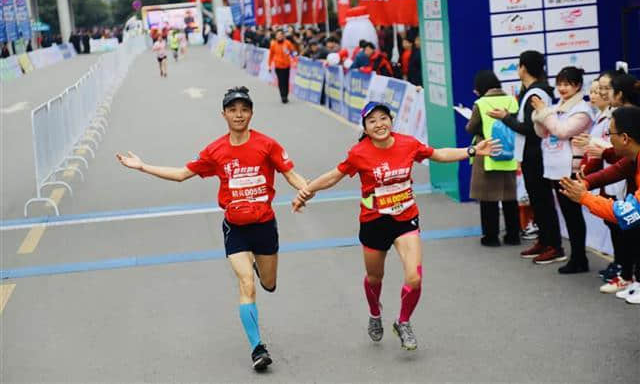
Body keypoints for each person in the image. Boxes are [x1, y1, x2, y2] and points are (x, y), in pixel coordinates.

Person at [116, 86, 310, 369]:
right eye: (233, 110)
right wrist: (143, 166)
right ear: (224, 114)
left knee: (268, 283)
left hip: (265, 225)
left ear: (251, 113)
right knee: (247, 284)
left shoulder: (267, 144)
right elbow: (182, 174)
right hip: (236, 229)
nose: (239, 115)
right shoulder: (215, 150)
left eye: (244, 109)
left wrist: (306, 190)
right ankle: (258, 348)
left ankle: (261, 267)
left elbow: (291, 174)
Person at [292, 101, 500, 351]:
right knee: (374, 277)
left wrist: (472, 150)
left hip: (405, 218)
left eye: (383, 118)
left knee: (414, 277)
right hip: (374, 222)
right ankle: (374, 313)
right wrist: (307, 190)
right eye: (372, 121)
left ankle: (403, 321)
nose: (379, 124)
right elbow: (335, 175)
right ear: (365, 128)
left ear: (391, 120)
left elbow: (438, 154)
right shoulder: (359, 153)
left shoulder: (408, 144)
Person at [559, 106, 640, 304]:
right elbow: (616, 170)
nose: (608, 140)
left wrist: (584, 197)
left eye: (610, 134)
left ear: (625, 138)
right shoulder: (634, 157)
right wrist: (586, 183)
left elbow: (628, 214)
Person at [488, 51, 563, 265]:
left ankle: (554, 245)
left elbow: (529, 129)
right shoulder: (531, 91)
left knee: (543, 201)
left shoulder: (535, 94)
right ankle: (544, 240)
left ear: (523, 68)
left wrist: (505, 118)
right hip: (531, 153)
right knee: (538, 201)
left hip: (537, 153)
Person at [530, 66, 593, 273]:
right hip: (554, 167)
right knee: (568, 214)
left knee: (573, 215)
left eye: (567, 84)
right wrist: (540, 114)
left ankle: (579, 258)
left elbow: (562, 131)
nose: (562, 88)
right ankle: (576, 258)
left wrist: (545, 112)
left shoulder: (582, 110)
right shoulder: (559, 106)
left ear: (578, 86)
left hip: (570, 169)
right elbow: (543, 132)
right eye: (560, 84)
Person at [574, 73, 626, 282]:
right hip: (609, 178)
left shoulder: (619, 117)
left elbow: (610, 151)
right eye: (596, 90)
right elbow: (598, 151)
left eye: (604, 89)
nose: (598, 94)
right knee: (613, 222)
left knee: (622, 223)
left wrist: (594, 153)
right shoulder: (602, 116)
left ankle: (625, 269)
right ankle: (621, 264)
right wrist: (588, 170)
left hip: (620, 179)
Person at [466, 70, 520, 247]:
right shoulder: (511, 100)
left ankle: (491, 236)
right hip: (509, 153)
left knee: (488, 197)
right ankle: (513, 235)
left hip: (488, 153)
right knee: (509, 196)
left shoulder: (481, 103)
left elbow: (472, 127)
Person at [268, 29, 296, 104]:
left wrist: (295, 61)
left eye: (281, 35)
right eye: (278, 35)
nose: (279, 36)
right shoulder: (273, 44)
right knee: (281, 81)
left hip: (287, 66)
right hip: (278, 66)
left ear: (283, 36)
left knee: (286, 81)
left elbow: (293, 52)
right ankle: (283, 96)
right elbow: (270, 56)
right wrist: (269, 66)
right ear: (276, 36)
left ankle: (286, 95)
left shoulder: (288, 43)